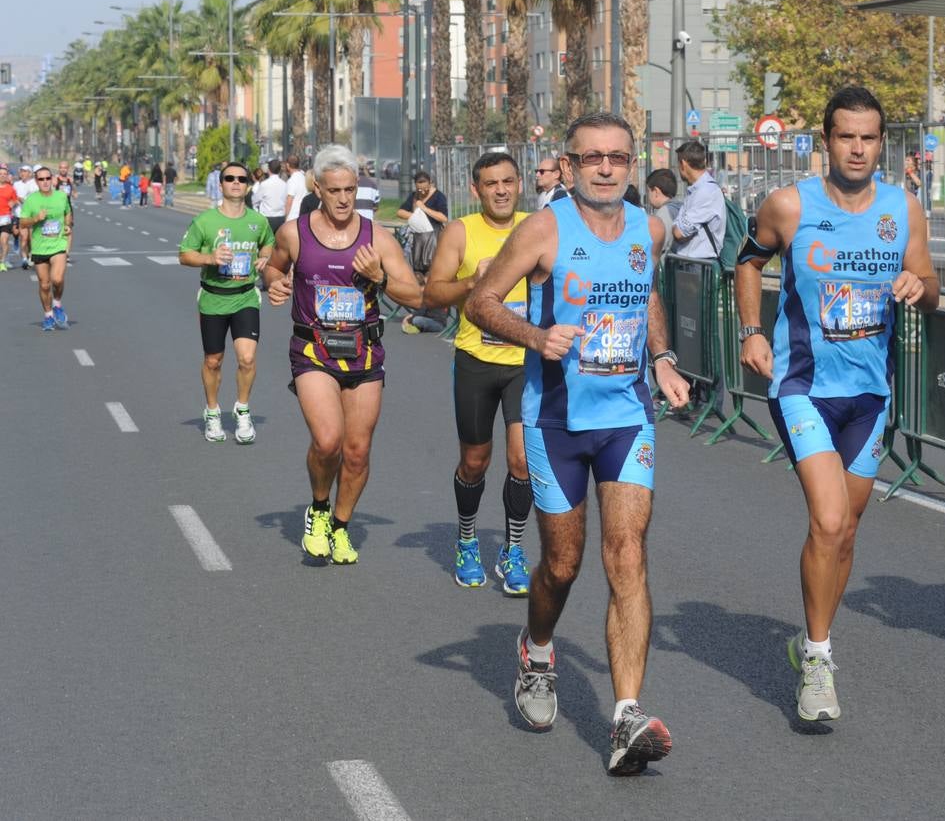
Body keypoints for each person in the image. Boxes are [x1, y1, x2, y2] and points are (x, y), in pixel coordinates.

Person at [465, 111, 690, 776]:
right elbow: (481, 302)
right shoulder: (544, 229)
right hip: (555, 421)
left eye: (618, 157)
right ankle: (537, 650)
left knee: (628, 555)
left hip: (628, 417)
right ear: (569, 165)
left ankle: (626, 715)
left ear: (632, 164)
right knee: (562, 565)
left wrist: (663, 357)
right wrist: (536, 338)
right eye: (592, 157)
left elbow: (645, 296)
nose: (606, 168)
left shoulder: (649, 229)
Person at [735, 86, 939, 722]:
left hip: (871, 395)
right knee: (827, 520)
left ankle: (809, 637)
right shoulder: (789, 205)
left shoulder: (903, 208)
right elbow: (748, 261)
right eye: (846, 136)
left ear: (882, 143)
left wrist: (919, 285)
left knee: (845, 529)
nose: (857, 148)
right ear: (826, 141)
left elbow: (931, 286)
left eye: (868, 137)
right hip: (803, 388)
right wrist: (752, 330)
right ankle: (820, 660)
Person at [262, 144, 421, 566]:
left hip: (364, 353)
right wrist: (275, 283)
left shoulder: (377, 238)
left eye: (351, 189)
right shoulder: (294, 233)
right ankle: (318, 508)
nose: (344, 199)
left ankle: (341, 525)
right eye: (335, 191)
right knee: (328, 440)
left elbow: (415, 296)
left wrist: (379, 277)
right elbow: (274, 267)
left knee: (357, 451)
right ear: (318, 188)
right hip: (313, 351)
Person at [423, 152, 534, 594]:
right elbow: (433, 293)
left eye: (508, 181)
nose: (501, 190)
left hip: (525, 363)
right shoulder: (461, 231)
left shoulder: (537, 227)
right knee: (474, 462)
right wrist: (473, 283)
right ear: (476, 189)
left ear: (520, 183)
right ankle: (467, 541)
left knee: (522, 460)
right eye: (491, 183)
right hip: (476, 360)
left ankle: (513, 550)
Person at [178, 160, 276, 444]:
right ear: (220, 185)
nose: (236, 183)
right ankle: (212, 411)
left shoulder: (258, 221)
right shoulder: (205, 221)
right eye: (230, 178)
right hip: (213, 298)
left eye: (241, 179)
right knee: (213, 361)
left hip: (245, 296)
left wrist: (265, 256)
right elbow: (184, 255)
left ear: (248, 186)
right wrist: (210, 258)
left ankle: (242, 409)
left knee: (247, 358)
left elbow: (268, 242)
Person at [19, 166, 74, 332]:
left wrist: (67, 225)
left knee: (57, 280)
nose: (45, 182)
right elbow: (22, 222)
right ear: (36, 181)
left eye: (47, 178)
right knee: (44, 285)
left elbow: (68, 213)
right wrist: (36, 218)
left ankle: (57, 303)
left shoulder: (61, 196)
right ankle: (48, 315)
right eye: (41, 179)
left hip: (58, 244)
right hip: (39, 248)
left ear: (52, 179)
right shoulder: (31, 200)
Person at [667, 140, 726, 261]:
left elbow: (678, 232)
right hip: (691, 262)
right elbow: (678, 228)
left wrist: (678, 229)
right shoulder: (696, 190)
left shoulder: (706, 191)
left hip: (700, 264)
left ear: (683, 164)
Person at [253, 159, 288, 233]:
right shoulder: (284, 184)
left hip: (267, 217)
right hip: (280, 217)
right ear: (279, 170)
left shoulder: (264, 184)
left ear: (268, 169)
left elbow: (255, 200)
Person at [13, 165, 37, 268]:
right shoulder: (16, 184)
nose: (23, 173)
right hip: (20, 214)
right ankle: (24, 259)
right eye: (21, 171)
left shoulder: (34, 184)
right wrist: (17, 199)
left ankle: (30, 255)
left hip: (32, 216)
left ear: (30, 173)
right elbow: (13, 197)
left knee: (31, 239)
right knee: (24, 237)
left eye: (25, 171)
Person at [0, 168, 19, 270]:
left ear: (7, 176)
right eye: (1, 174)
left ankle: (2, 262)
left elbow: (16, 200)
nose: (2, 175)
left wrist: (14, 203)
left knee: (4, 240)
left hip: (6, 218)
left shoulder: (11, 189)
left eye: (4, 174)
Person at [355, 158, 381, 223]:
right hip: (368, 221)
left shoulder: (351, 183)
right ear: (366, 167)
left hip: (353, 221)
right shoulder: (373, 185)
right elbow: (375, 207)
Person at [283, 155, 307, 223]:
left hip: (292, 216)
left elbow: (289, 200)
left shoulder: (292, 180)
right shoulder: (303, 177)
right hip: (303, 215)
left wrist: (285, 217)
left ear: (288, 165)